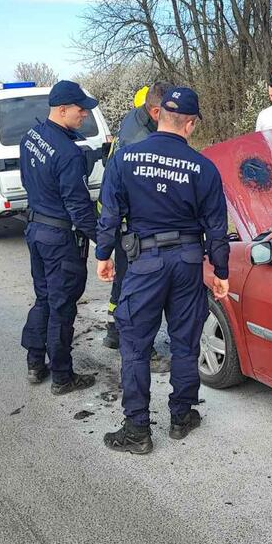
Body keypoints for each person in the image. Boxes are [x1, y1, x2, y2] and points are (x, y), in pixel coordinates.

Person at [96, 87, 229, 454]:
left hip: (145, 263)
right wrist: (220, 271)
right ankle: (182, 416)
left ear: (158, 116)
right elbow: (216, 228)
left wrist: (103, 254)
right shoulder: (203, 168)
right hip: (187, 261)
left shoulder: (124, 159)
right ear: (189, 124)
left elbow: (110, 213)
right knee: (185, 344)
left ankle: (137, 429)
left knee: (136, 347)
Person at [20, 80, 99, 395]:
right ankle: (63, 377)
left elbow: (31, 180)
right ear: (62, 109)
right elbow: (79, 209)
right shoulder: (67, 152)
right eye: (81, 110)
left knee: (44, 298)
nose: (85, 115)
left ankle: (35, 363)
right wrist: (105, 243)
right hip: (59, 239)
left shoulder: (31, 137)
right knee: (62, 306)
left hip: (36, 229)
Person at [101, 81, 173, 377]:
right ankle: (144, 350)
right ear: (156, 111)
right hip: (130, 220)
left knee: (125, 278)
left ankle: (114, 330)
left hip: (115, 214)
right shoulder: (142, 140)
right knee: (141, 287)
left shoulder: (134, 116)